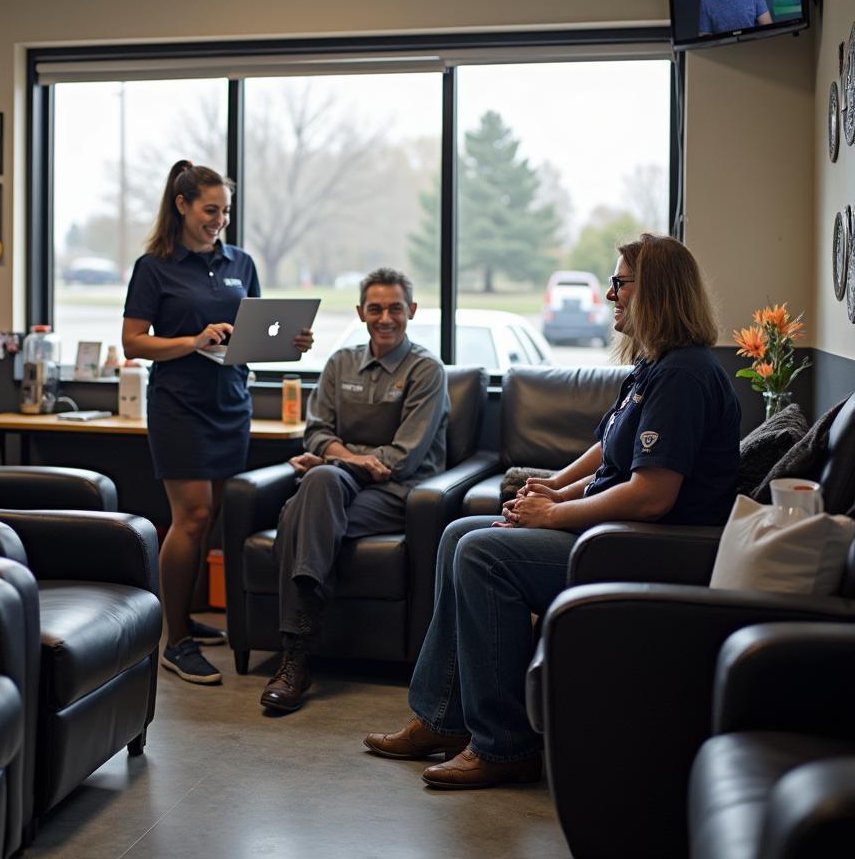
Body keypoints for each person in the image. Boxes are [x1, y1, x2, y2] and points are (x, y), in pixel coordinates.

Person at [364, 233, 742, 788]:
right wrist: (556, 491)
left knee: (482, 553)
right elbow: (612, 456)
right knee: (457, 536)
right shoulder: (654, 368)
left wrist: (554, 516)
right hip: (615, 530)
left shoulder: (685, 376)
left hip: (644, 548)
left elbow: (651, 494)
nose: (611, 294)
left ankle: (504, 745)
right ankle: (444, 718)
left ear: (654, 292)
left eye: (620, 283)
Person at [122, 159, 312, 685]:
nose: (219, 220)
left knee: (214, 517)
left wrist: (288, 343)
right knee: (192, 516)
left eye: (225, 211)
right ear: (181, 206)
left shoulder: (241, 262)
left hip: (231, 401)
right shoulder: (154, 266)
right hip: (178, 405)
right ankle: (174, 639)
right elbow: (134, 342)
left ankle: (185, 617)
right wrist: (193, 340)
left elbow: (252, 331)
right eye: (210, 210)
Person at [259, 266, 449, 713]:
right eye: (376, 308)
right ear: (361, 312)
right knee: (321, 487)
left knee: (298, 512)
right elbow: (316, 430)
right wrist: (341, 459)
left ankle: (294, 659)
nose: (386, 318)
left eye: (395, 308)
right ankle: (298, 653)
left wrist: (334, 459)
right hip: (339, 488)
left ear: (412, 311)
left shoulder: (426, 370)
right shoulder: (340, 363)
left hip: (399, 495)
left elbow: (403, 456)